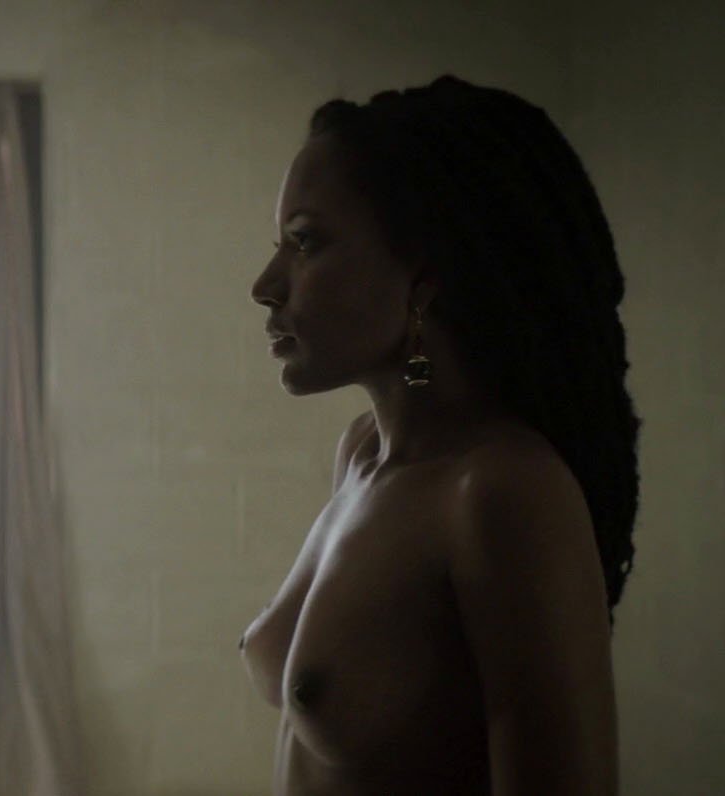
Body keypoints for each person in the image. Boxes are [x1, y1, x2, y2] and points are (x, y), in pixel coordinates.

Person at [241, 75, 640, 795]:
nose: (266, 285)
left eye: (305, 242)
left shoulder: (502, 491)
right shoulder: (363, 455)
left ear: (424, 278)